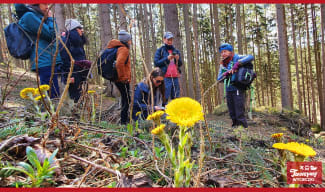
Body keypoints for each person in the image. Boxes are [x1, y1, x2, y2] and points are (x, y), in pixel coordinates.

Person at [16, 4, 62, 98]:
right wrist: (50, 19)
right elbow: (51, 35)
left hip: (48, 58)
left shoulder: (36, 16)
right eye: (44, 3)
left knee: (53, 93)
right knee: (50, 95)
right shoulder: (29, 16)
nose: (47, 6)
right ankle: (47, 111)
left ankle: (51, 111)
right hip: (44, 60)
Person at [217, 43, 254, 128]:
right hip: (228, 89)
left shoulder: (237, 57)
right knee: (232, 111)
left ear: (230, 51)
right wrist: (226, 74)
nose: (223, 54)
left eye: (225, 51)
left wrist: (237, 64)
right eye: (221, 52)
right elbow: (218, 79)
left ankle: (243, 129)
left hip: (238, 88)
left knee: (239, 111)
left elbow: (251, 57)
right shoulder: (223, 64)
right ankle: (235, 129)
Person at [59, 19, 91, 103]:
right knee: (74, 97)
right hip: (72, 75)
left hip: (80, 74)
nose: (82, 31)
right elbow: (64, 60)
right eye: (80, 28)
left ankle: (82, 113)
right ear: (74, 30)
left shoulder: (78, 43)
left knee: (81, 96)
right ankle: (76, 114)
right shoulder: (65, 41)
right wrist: (68, 76)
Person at [106, 30, 131, 125]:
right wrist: (123, 77)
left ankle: (124, 120)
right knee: (127, 99)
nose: (130, 42)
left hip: (117, 78)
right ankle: (124, 122)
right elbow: (119, 63)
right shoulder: (123, 49)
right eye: (129, 40)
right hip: (122, 80)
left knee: (126, 98)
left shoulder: (117, 47)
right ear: (127, 40)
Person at [154, 32, 182, 102]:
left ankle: (174, 112)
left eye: (171, 40)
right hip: (165, 77)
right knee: (164, 97)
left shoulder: (176, 51)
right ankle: (164, 112)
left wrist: (177, 59)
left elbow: (180, 64)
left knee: (176, 98)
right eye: (168, 39)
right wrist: (167, 58)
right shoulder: (160, 50)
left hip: (175, 77)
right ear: (164, 40)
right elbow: (156, 63)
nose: (170, 41)